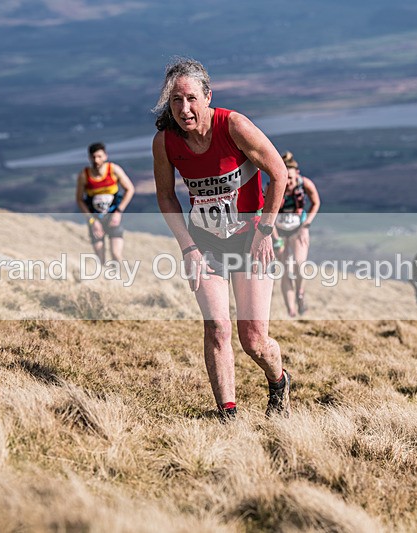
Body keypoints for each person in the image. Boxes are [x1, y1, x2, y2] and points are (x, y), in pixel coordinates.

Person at [152, 57, 291, 419]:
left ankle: (278, 381)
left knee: (254, 340)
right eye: (176, 100)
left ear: (208, 96)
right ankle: (228, 415)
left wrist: (265, 230)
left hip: (250, 240)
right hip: (206, 243)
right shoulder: (166, 142)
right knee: (216, 327)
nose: (184, 109)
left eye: (191, 99)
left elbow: (279, 173)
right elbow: (165, 196)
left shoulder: (234, 126)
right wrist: (188, 248)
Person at [272, 151, 320, 317]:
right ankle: (291, 311)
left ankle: (300, 294)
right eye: (286, 178)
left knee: (300, 264)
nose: (288, 183)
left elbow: (316, 202)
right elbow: (267, 215)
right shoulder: (273, 186)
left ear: (297, 174)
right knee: (286, 270)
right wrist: (276, 240)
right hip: (279, 231)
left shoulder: (305, 184)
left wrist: (306, 225)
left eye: (291, 179)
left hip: (298, 229)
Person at [75, 142, 135, 263]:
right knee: (100, 258)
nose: (96, 160)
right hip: (95, 219)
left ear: (105, 156)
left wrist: (118, 212)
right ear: (89, 157)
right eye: (93, 157)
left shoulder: (114, 170)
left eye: (99, 156)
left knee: (116, 255)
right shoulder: (84, 175)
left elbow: (130, 189)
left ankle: (118, 274)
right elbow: (79, 199)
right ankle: (104, 275)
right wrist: (92, 220)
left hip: (113, 217)